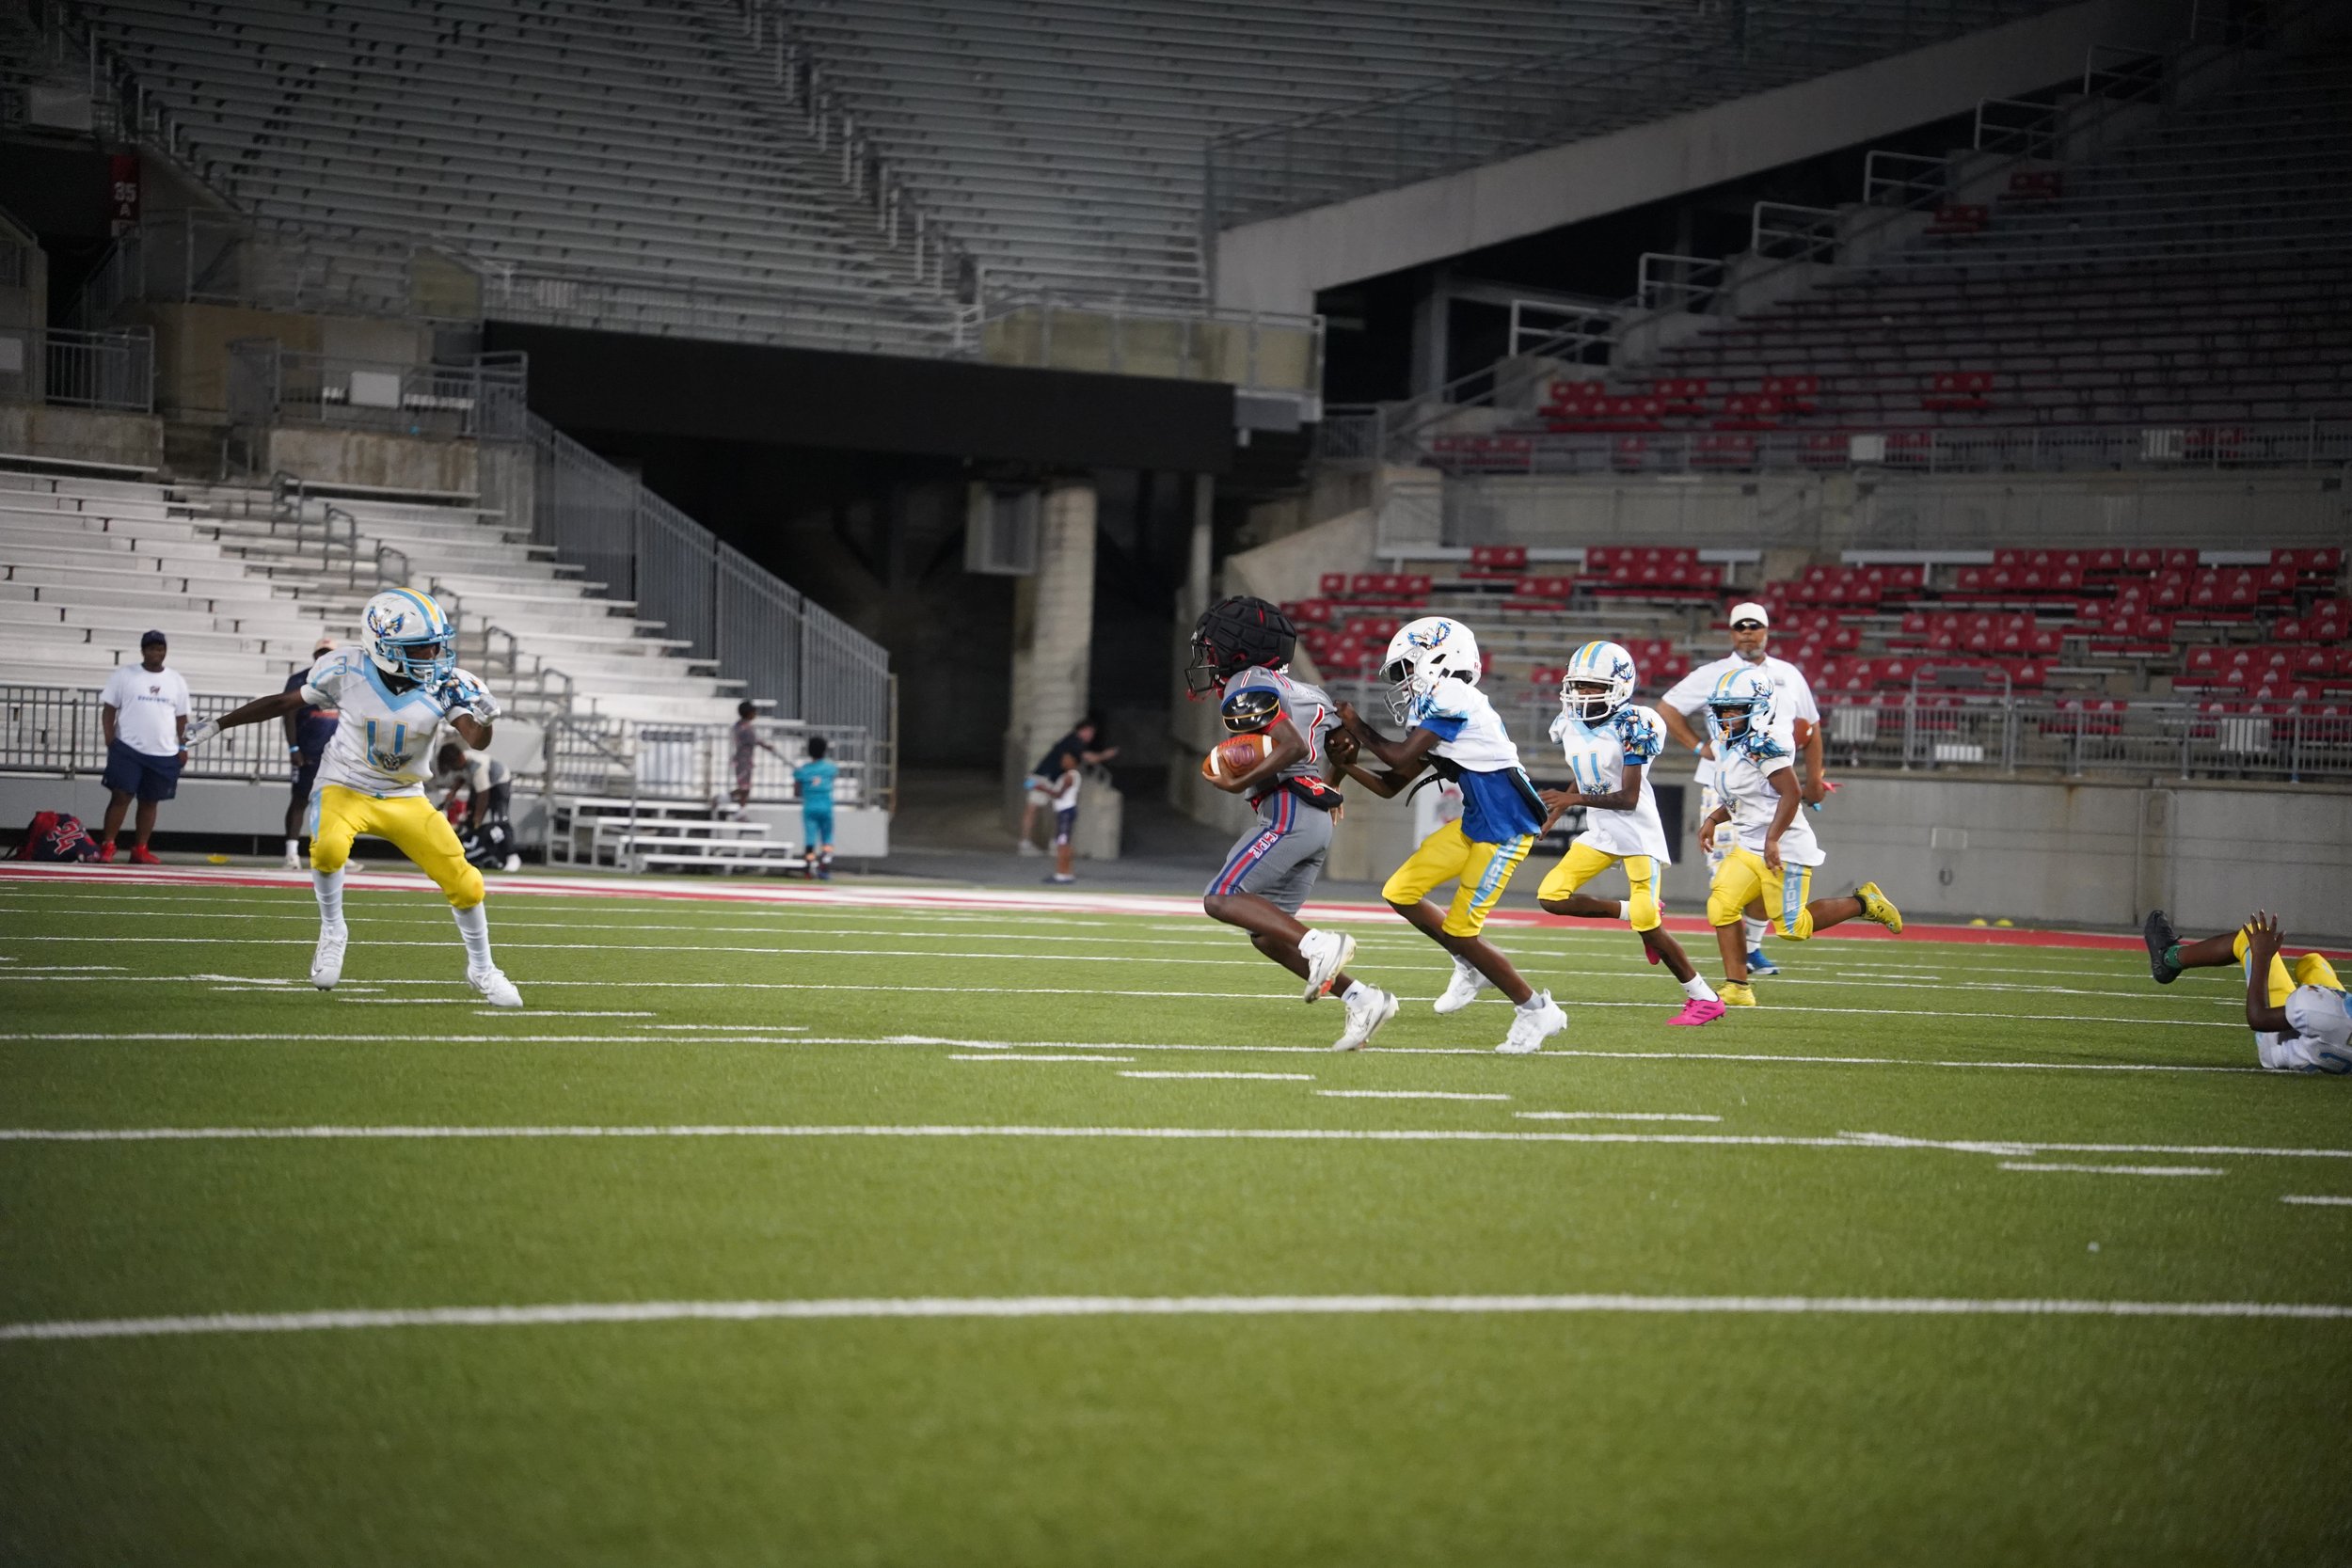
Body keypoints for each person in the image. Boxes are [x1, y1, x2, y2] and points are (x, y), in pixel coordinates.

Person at [179, 588, 522, 1007]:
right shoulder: (347, 669)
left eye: (436, 645)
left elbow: (475, 738)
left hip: (403, 794)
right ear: (385, 646)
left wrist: (485, 721)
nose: (433, 654)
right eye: (422, 646)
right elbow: (285, 702)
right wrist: (219, 724)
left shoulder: (446, 684)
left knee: (466, 883)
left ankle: (482, 969)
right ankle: (333, 929)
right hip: (345, 784)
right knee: (327, 850)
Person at [1332, 615, 1566, 1055]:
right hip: (1477, 823)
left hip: (1506, 828)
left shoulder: (1454, 694)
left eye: (1407, 668)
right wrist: (1346, 765)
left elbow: (1397, 754)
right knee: (1400, 891)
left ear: (1438, 658)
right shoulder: (1434, 708)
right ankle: (1468, 963)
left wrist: (1356, 725)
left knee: (1462, 931)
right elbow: (1390, 783)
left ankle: (1537, 1009)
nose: (1403, 681)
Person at [1186, 594, 1397, 1052]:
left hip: (1288, 811)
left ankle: (1324, 944)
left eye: (1212, 647)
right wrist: (1331, 786)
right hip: (1313, 818)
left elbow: (1294, 747)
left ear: (1237, 647)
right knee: (1268, 934)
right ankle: (1363, 999)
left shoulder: (1245, 681)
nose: (1208, 657)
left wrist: (1237, 781)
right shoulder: (1310, 691)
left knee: (1222, 897)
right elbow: (1343, 747)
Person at [1534, 641, 1724, 1026]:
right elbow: (1585, 772)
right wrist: (1558, 810)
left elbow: (1628, 798)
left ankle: (1705, 998)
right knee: (1551, 896)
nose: (1582, 694)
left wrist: (1572, 801)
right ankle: (1629, 912)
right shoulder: (1570, 724)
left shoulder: (1635, 723)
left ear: (1619, 687)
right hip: (1601, 832)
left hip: (1637, 833)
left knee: (1648, 923)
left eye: (1593, 686)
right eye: (1578, 685)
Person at [1696, 667, 1900, 1006]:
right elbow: (1744, 796)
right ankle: (1738, 987)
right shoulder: (1727, 745)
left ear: (1759, 708)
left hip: (1785, 847)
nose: (1727, 717)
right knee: (1721, 906)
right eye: (1722, 710)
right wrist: (1714, 818)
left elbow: (1791, 794)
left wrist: (1773, 839)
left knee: (1794, 929)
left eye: (1735, 709)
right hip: (1749, 846)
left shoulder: (1764, 744)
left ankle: (1865, 903)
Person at [1659, 601, 1826, 979]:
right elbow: (1667, 708)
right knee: (1727, 878)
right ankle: (1740, 967)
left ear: (1766, 630)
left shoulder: (1788, 674)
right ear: (1732, 633)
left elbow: (1811, 728)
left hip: (1774, 784)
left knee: (1770, 871)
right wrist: (1699, 747)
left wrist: (1814, 779)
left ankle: (1750, 950)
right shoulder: (1712, 673)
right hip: (1726, 786)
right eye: (1740, 627)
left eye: (1755, 626)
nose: (1748, 632)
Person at [2143, 909, 2349, 1073]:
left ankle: (2168, 958)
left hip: (2277, 1041)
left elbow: (2258, 1017)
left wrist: (2261, 957)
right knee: (2313, 962)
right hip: (2329, 1035)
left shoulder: (2321, 1010)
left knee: (2249, 936)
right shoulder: (2327, 1012)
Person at [97, 629, 190, 865]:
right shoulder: (125, 675)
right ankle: (108, 845)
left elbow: (181, 718)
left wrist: (184, 745)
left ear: (165, 651)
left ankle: (140, 848)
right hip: (128, 747)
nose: (156, 653)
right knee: (121, 795)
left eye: (160, 648)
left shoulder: (176, 680)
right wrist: (109, 737)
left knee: (150, 800)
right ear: (143, 650)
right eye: (151, 648)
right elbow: (109, 709)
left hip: (163, 750)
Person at [281, 636, 340, 870]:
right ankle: (291, 853)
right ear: (315, 655)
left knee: (334, 804)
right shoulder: (301, 679)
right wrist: (294, 747)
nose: (324, 657)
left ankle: (334, 851)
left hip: (337, 753)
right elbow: (288, 713)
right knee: (300, 799)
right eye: (321, 653)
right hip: (308, 751)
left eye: (329, 653)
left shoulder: (343, 679)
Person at [1018, 717, 1117, 854]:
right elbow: (1090, 758)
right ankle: (1029, 844)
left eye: (1092, 733)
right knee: (1034, 809)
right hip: (1043, 778)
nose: (1090, 736)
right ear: (1080, 730)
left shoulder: (1072, 741)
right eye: (1088, 732)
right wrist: (1106, 755)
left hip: (1047, 779)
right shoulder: (1075, 741)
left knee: (1053, 811)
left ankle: (1049, 844)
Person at [429, 741, 519, 873]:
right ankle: (471, 852)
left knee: (500, 819)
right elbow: (461, 777)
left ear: (460, 758)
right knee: (469, 819)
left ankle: (512, 856)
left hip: (499, 783)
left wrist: (478, 818)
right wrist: (452, 793)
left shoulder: (477, 765)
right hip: (479, 786)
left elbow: (483, 795)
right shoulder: (461, 765)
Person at [730, 702, 787, 818]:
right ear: (749, 713)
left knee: (746, 787)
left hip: (745, 759)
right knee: (744, 788)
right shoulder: (745, 728)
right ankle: (723, 798)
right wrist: (767, 746)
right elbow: (755, 740)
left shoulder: (740, 726)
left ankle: (742, 811)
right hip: (743, 760)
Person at [794, 735, 838, 880]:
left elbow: (797, 792)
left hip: (810, 807)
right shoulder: (830, 768)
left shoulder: (803, 770)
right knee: (827, 837)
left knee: (810, 838)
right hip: (826, 806)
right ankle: (825, 866)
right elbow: (832, 780)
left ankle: (808, 867)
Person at [1042, 748, 1080, 886]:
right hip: (1065, 811)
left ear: (1074, 761)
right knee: (1065, 844)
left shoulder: (1070, 776)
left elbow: (1059, 794)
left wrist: (1042, 788)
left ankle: (1061, 874)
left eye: (1066, 759)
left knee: (1062, 845)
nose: (1063, 761)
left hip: (1065, 812)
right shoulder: (1067, 775)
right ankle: (1067, 872)